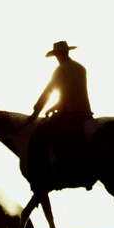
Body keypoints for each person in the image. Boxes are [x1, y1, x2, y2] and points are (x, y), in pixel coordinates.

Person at [26, 41, 94, 188]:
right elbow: (72, 94)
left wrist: (36, 111)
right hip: (86, 112)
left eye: (57, 55)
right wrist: (54, 107)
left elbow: (49, 91)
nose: (57, 57)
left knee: (39, 134)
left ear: (58, 54)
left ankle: (44, 174)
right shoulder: (81, 68)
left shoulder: (60, 70)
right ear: (67, 52)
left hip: (69, 113)